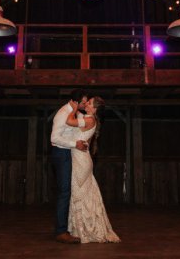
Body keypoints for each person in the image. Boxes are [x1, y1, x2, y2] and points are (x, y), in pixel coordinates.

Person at [65, 96, 120, 243]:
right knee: (83, 193)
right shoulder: (87, 117)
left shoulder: (90, 120)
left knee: (79, 193)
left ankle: (84, 230)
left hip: (81, 160)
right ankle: (79, 228)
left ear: (94, 109)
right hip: (80, 157)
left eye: (88, 103)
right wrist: (77, 110)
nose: (86, 103)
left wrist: (74, 109)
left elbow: (69, 121)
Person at [50, 89, 89, 244]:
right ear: (75, 101)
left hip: (69, 153)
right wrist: (75, 144)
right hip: (61, 154)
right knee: (64, 191)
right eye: (84, 102)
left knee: (67, 191)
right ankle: (60, 231)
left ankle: (65, 226)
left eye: (87, 102)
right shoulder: (62, 114)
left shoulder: (74, 112)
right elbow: (54, 138)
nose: (85, 104)